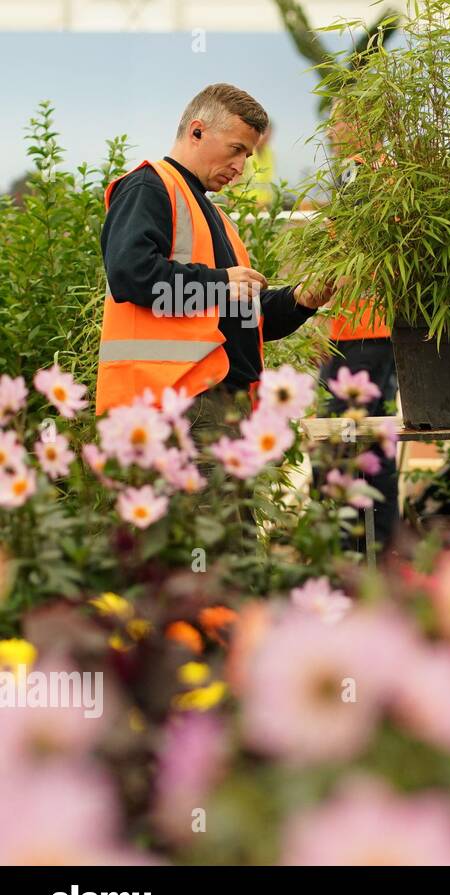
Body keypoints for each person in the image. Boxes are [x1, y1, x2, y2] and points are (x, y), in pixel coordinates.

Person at [96, 83, 332, 439]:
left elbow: (239, 317)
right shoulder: (150, 186)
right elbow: (130, 275)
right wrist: (221, 283)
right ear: (197, 131)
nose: (240, 167)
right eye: (235, 149)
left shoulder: (216, 218)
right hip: (175, 406)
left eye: (248, 156)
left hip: (212, 404)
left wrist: (299, 300)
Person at [314, 100, 399, 550]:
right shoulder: (386, 172)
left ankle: (357, 545)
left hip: (363, 329)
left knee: (348, 435)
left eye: (339, 118)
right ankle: (378, 542)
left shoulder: (360, 173)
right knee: (370, 433)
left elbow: (345, 253)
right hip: (373, 328)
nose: (330, 128)